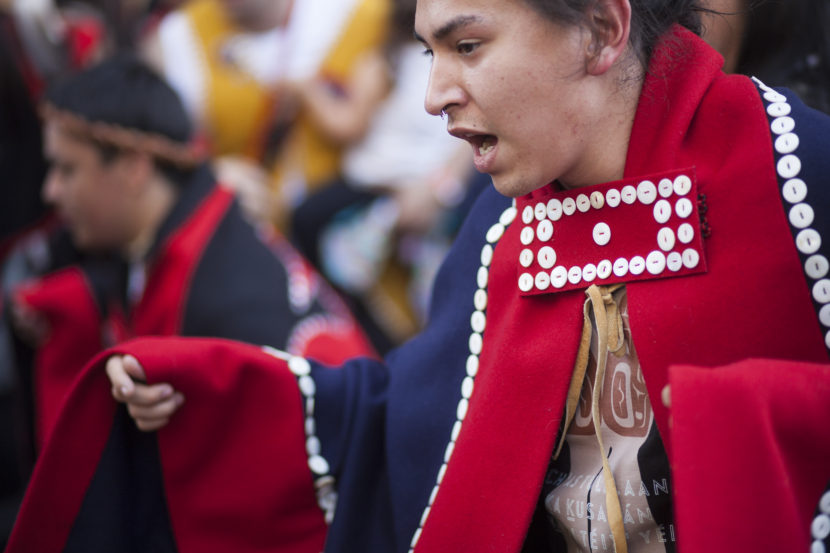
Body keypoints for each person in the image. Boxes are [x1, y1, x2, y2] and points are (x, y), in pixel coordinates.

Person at [7, 1, 830, 552]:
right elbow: (412, 424)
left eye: (467, 45)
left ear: (602, 29)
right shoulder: (500, 223)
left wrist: (750, 423)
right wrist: (218, 393)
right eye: (428, 52)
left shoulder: (800, 177)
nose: (435, 94)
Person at [1, 54, 374, 448]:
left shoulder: (227, 302)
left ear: (133, 168)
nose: (52, 191)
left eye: (67, 169)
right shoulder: (188, 234)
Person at [143, 0, 389, 227]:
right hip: (249, 231)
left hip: (348, 229)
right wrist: (209, 179)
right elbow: (153, 166)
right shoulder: (175, 40)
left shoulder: (360, 12)